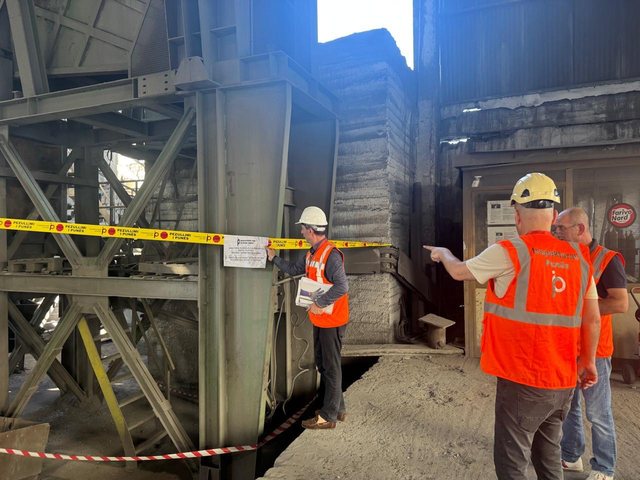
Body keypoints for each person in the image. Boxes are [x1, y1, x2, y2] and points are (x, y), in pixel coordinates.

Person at [424, 172, 601, 480]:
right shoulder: (579, 258)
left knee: (512, 464)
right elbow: (593, 318)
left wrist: (444, 253)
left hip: (523, 380)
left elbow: (459, 272)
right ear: (553, 215)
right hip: (563, 380)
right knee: (548, 456)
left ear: (517, 215)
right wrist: (588, 360)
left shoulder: (511, 251)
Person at [554, 207, 628, 480]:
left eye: (561, 228)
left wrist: (580, 310)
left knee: (598, 412)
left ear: (580, 229)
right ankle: (571, 456)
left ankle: (604, 467)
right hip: (566, 348)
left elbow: (620, 303)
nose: (556, 232)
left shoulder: (607, 260)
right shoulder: (563, 256)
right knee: (569, 409)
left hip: (595, 351)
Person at [266, 206, 349, 429]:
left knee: (330, 367)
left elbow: (343, 286)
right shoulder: (312, 253)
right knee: (324, 364)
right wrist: (274, 258)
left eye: (303, 228)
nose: (301, 232)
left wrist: (319, 303)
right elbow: (294, 269)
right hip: (321, 320)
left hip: (332, 320)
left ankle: (328, 417)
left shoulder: (330, 255)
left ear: (311, 230)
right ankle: (338, 409)